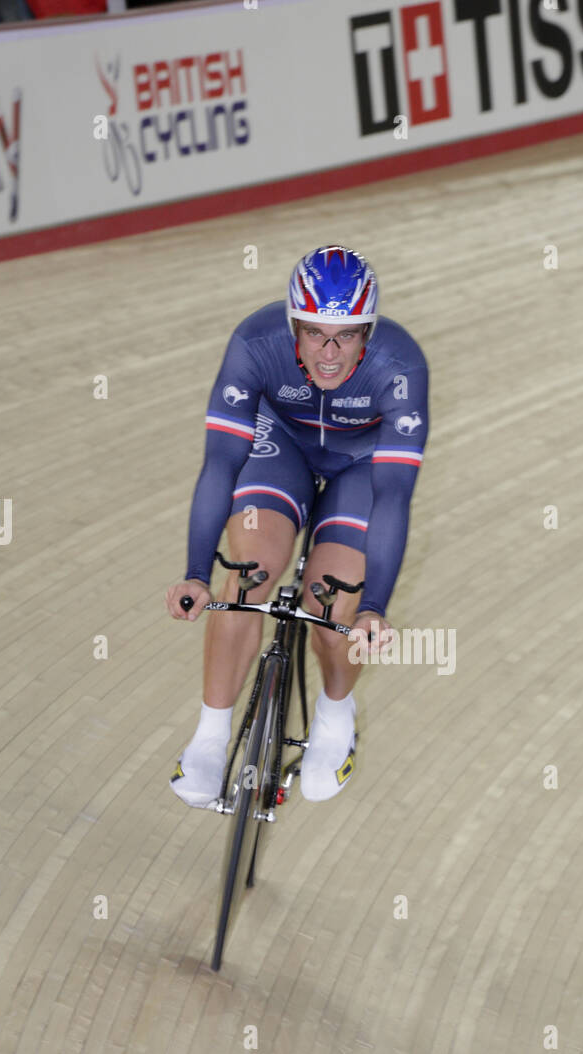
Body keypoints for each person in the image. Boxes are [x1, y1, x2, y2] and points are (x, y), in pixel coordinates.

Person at [165, 245, 429, 805]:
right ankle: (210, 741)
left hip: (363, 463)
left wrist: (375, 606)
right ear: (292, 325)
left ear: (369, 331)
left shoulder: (401, 368)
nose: (329, 353)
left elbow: (393, 497)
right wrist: (193, 572)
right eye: (313, 334)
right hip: (279, 443)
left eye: (347, 335)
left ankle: (335, 715)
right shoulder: (254, 344)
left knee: (332, 601)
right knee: (248, 571)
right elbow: (220, 464)